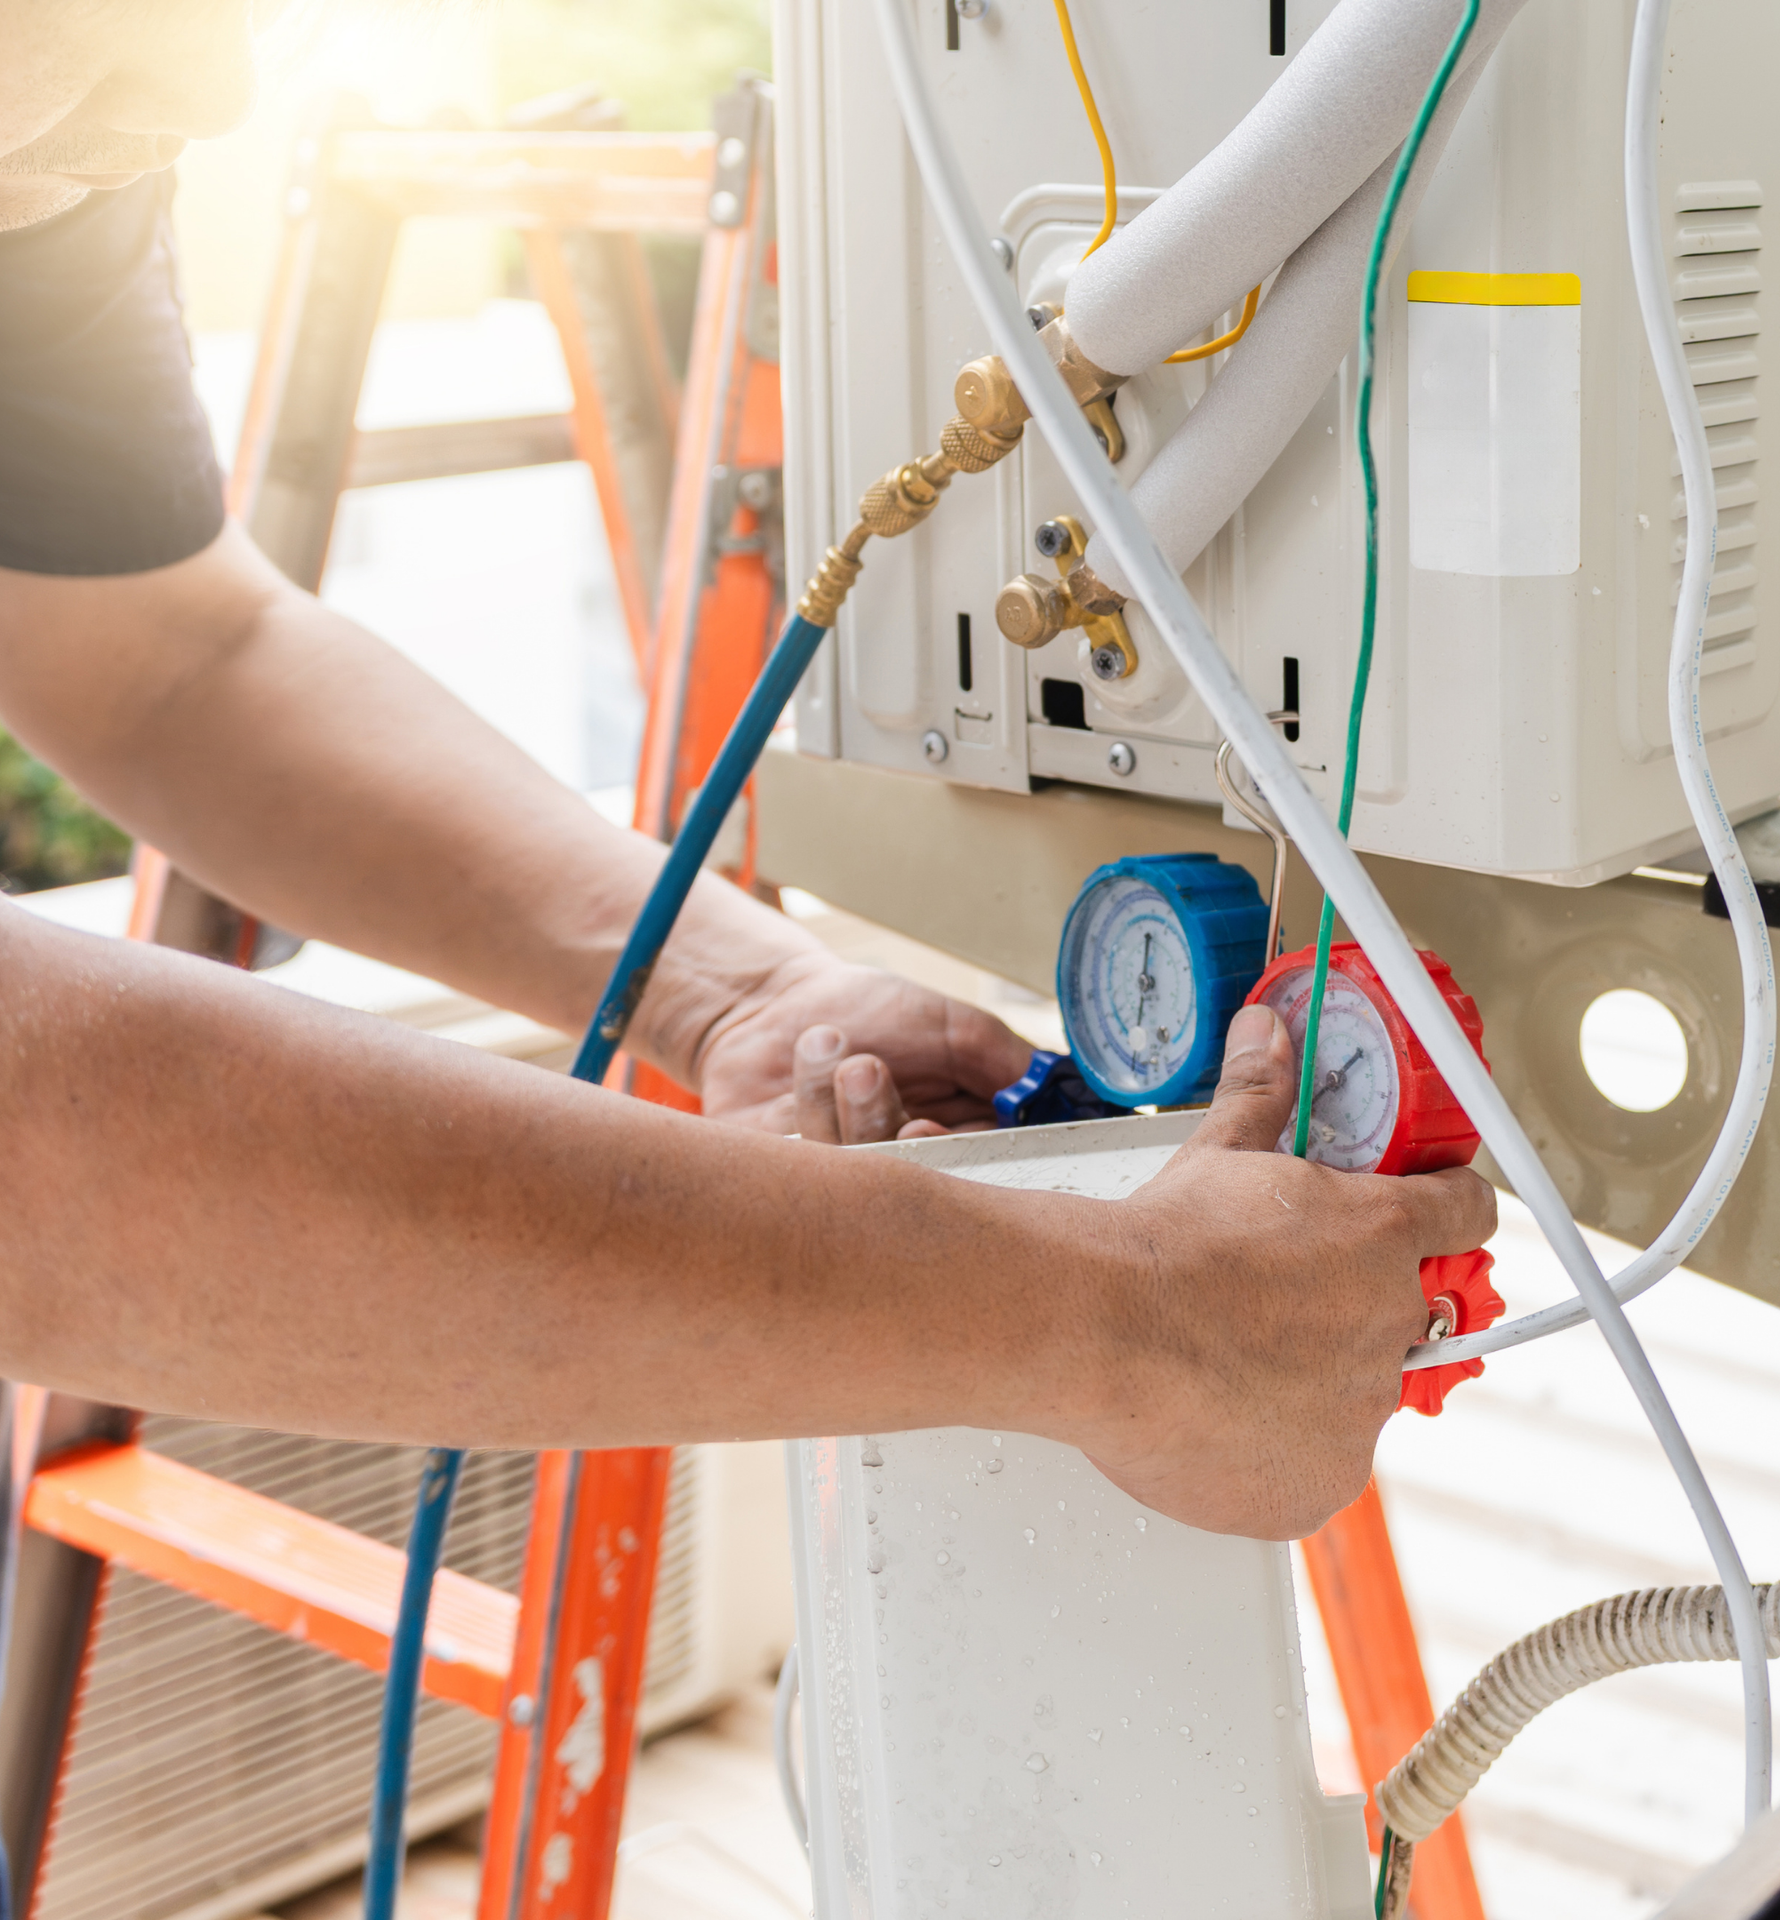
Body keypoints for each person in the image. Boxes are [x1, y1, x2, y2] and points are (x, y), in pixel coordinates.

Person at [0, 0, 1493, 1541]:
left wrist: (734, 994)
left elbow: (154, 647)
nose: (210, 88)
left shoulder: (51, 129)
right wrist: (1113, 1321)